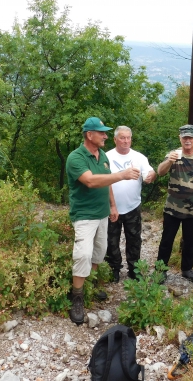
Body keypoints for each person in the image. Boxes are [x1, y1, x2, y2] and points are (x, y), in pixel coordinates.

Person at [66, 117, 140, 325]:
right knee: (83, 254)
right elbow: (90, 181)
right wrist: (121, 175)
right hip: (84, 215)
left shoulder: (102, 157)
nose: (106, 136)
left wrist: (113, 206)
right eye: (102, 133)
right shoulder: (76, 157)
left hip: (102, 214)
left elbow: (106, 182)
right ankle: (77, 297)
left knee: (99, 251)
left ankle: (92, 285)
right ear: (89, 135)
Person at [156, 124, 193, 283]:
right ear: (180, 138)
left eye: (190, 137)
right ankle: (160, 270)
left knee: (189, 241)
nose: (187, 140)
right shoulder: (173, 154)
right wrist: (169, 161)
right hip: (172, 209)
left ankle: (187, 269)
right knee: (166, 240)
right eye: (184, 137)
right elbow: (160, 171)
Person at [105, 126, 156, 282]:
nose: (126, 141)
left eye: (128, 137)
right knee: (111, 240)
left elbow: (150, 173)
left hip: (133, 206)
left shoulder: (139, 157)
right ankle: (113, 268)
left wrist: (150, 177)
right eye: (122, 137)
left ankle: (134, 269)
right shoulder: (106, 157)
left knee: (134, 239)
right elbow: (102, 179)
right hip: (110, 206)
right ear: (115, 139)